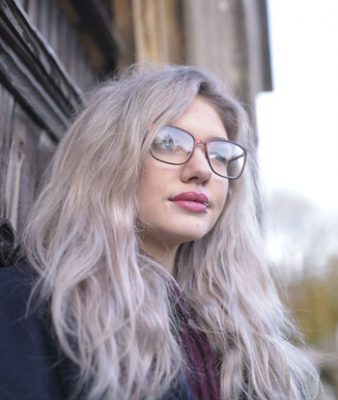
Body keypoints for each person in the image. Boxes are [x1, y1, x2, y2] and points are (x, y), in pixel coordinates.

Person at [0, 65, 318, 400]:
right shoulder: (25, 308)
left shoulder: (250, 347)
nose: (201, 171)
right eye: (169, 141)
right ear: (108, 159)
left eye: (220, 154)